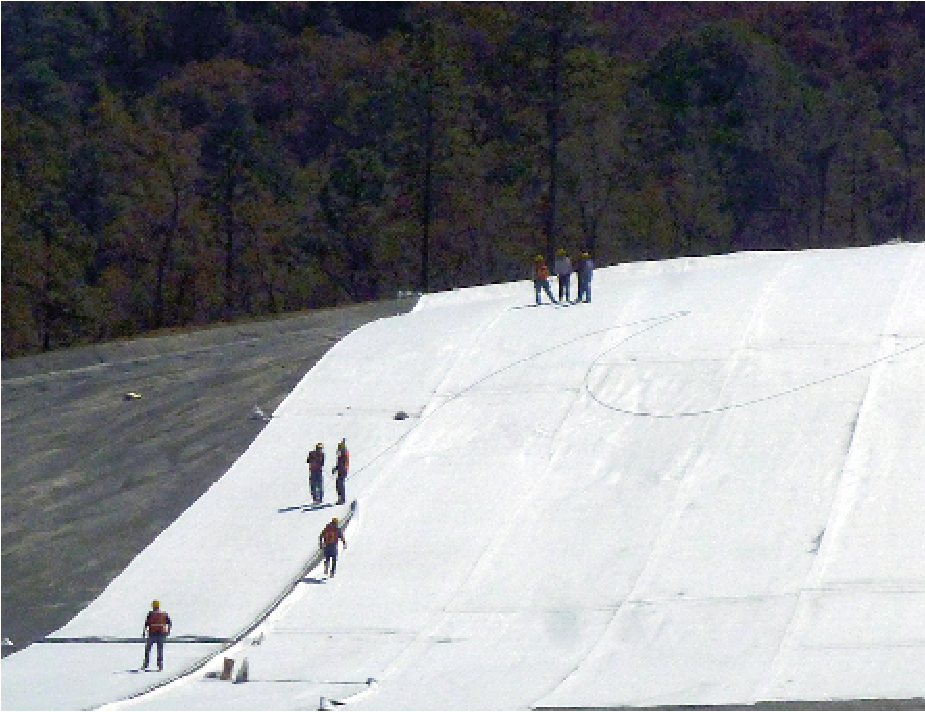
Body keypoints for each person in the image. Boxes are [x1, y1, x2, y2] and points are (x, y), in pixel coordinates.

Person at [142, 599, 171, 671]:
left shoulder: (151, 614)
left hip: (152, 633)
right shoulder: (164, 613)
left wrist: (144, 632)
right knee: (160, 650)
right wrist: (168, 631)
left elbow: (146, 623)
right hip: (162, 633)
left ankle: (145, 665)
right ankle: (160, 666)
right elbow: (169, 623)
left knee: (148, 649)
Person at [332, 439, 350, 505]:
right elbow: (339, 463)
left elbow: (342, 463)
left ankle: (342, 499)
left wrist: (338, 468)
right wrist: (336, 468)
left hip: (343, 470)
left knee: (340, 484)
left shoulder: (344, 454)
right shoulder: (342, 454)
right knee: (339, 483)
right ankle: (341, 498)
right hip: (342, 470)